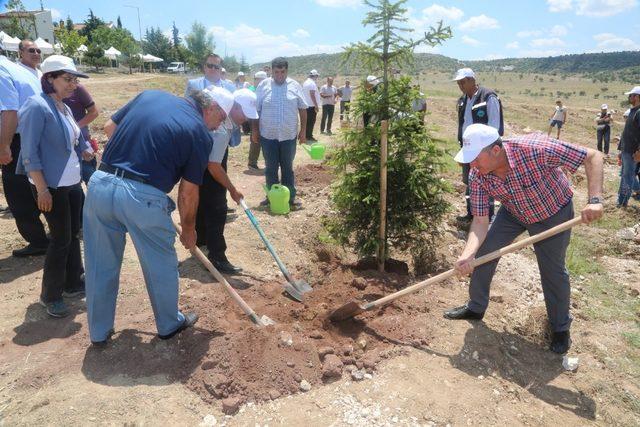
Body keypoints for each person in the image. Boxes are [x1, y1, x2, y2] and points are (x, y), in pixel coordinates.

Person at [83, 87, 232, 345]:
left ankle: (98, 331)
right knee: (160, 263)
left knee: (99, 264)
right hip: (142, 197)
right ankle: (169, 323)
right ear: (212, 108)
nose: (219, 126)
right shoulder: (199, 134)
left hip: (100, 184)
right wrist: (189, 229)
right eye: (222, 119)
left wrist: (134, 158)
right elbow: (188, 192)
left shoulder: (150, 95)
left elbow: (109, 127)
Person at [444, 124, 604, 354]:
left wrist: (595, 199)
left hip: (553, 212)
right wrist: (466, 255)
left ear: (495, 151)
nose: (472, 164)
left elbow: (593, 156)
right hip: (514, 211)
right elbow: (480, 222)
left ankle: (560, 329)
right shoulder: (478, 174)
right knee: (484, 253)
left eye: (475, 158)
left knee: (552, 269)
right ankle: (476, 307)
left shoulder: (535, 149)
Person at [17, 55, 95, 318]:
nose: (73, 85)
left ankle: (74, 282)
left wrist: (84, 149)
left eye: (75, 80)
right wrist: (41, 189)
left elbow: (74, 137)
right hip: (51, 186)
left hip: (71, 183)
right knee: (60, 239)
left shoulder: (63, 107)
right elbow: (29, 153)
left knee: (72, 233)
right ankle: (50, 295)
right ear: (49, 78)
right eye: (68, 79)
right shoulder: (36, 106)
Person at [196, 87, 258, 274]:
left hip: (200, 169)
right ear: (234, 106)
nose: (246, 119)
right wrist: (231, 189)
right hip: (209, 171)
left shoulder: (226, 125)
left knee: (202, 205)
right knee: (217, 209)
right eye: (244, 113)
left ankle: (202, 243)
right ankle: (217, 257)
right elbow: (214, 166)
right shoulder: (222, 130)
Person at [0, 41, 49, 257]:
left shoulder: (8, 70)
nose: (36, 53)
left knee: (19, 194)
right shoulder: (26, 72)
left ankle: (39, 242)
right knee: (42, 185)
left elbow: (10, 111)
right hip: (36, 137)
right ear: (20, 53)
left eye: (38, 50)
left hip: (20, 139)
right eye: (32, 50)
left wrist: (4, 146)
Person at [252, 57, 308, 209]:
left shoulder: (295, 85)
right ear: (272, 71)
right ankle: (271, 197)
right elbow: (256, 110)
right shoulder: (263, 86)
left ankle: (290, 198)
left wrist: (303, 132)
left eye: (282, 72)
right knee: (270, 167)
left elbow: (303, 109)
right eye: (276, 72)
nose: (280, 75)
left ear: (287, 71)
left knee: (287, 167)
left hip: (288, 136)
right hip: (268, 136)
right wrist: (255, 131)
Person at [453, 67, 503, 223]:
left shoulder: (488, 97)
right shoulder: (462, 100)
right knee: (469, 180)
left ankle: (487, 217)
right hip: (467, 148)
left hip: (483, 151)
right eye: (459, 83)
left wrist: (485, 151)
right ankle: (471, 214)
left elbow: (494, 127)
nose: (461, 85)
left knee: (485, 182)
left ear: (472, 80)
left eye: (463, 82)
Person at [63, 83, 100, 185]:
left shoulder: (78, 88)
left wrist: (74, 129)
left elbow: (94, 112)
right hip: (62, 146)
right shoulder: (47, 91)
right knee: (72, 186)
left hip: (82, 142)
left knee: (92, 183)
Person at [617, 86, 640, 208]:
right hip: (626, 149)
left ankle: (622, 203)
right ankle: (620, 201)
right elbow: (627, 132)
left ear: (637, 97)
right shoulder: (633, 111)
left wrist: (639, 152)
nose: (629, 97)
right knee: (624, 176)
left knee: (628, 176)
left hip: (632, 151)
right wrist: (621, 149)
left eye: (631, 95)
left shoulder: (639, 112)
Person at [247, 71, 268, 171]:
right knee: (255, 140)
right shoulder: (252, 90)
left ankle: (267, 162)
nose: (256, 81)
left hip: (264, 118)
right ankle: (252, 163)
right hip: (255, 118)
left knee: (265, 140)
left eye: (257, 79)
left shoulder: (266, 90)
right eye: (255, 79)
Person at [302, 69, 320, 141]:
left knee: (307, 121)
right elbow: (312, 95)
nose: (317, 77)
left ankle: (306, 135)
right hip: (311, 106)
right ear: (314, 76)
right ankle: (309, 136)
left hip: (306, 105)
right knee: (311, 121)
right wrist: (316, 106)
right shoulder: (312, 83)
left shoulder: (305, 82)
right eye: (317, 76)